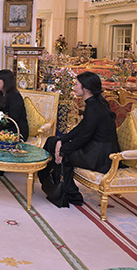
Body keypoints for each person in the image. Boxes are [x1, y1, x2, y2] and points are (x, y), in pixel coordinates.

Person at [39, 71, 121, 207]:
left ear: (86, 88)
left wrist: (62, 151)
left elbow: (84, 136)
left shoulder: (94, 107)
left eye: (76, 84)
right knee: (53, 141)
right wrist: (62, 141)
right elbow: (81, 128)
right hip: (96, 150)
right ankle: (63, 189)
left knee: (60, 152)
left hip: (98, 156)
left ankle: (66, 192)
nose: (74, 87)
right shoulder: (96, 103)